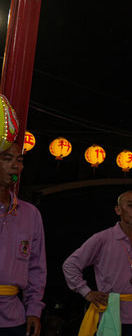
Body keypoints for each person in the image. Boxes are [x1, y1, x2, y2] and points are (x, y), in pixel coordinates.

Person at [63, 190, 132, 336]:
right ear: (118, 210)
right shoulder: (103, 238)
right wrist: (86, 292)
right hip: (107, 311)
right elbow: (70, 265)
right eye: (130, 205)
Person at [0, 141, 46, 336]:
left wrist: (34, 310)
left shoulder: (31, 214)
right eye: (7, 159)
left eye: (19, 160)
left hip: (14, 318)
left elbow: (36, 267)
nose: (15, 166)